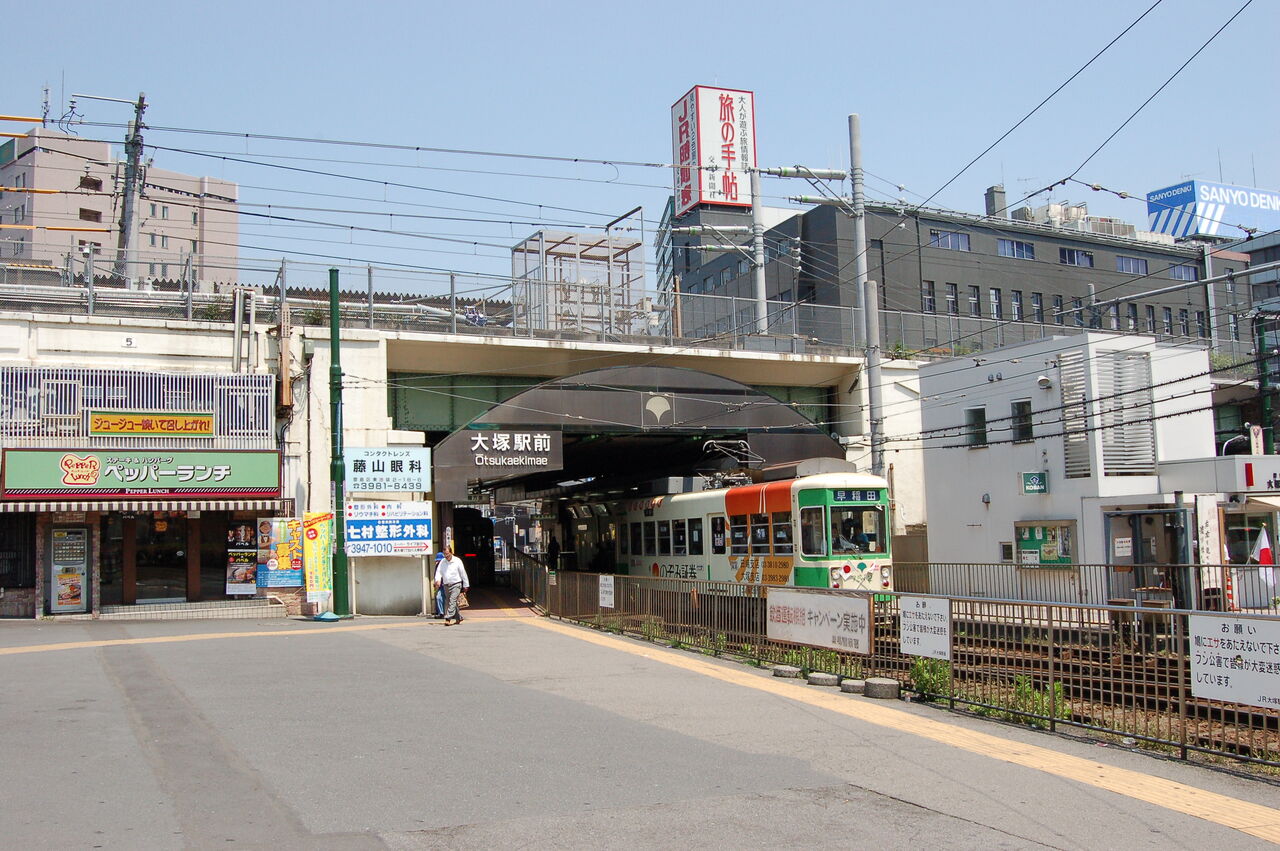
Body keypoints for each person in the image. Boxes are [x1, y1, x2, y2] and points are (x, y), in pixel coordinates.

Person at [433, 545, 470, 626]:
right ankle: (458, 618)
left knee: (452, 601)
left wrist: (466, 584)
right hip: (446, 585)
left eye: (447, 554)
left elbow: (463, 573)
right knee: (451, 602)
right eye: (444, 554)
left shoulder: (457, 561)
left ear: (451, 553)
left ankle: (448, 618)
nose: (446, 556)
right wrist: (437, 580)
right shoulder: (442, 562)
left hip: (456, 584)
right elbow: (438, 572)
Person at [432, 551, 447, 617]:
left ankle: (451, 613)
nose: (438, 561)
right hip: (441, 586)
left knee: (450, 599)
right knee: (439, 597)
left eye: (439, 560)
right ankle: (441, 613)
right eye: (437, 560)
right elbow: (436, 575)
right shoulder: (437, 566)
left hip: (447, 585)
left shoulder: (446, 565)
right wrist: (436, 583)